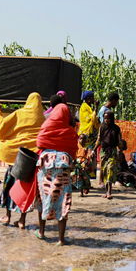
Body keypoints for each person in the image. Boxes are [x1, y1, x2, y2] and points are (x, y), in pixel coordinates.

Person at [0, 93, 44, 227]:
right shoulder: (43, 119)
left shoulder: (19, 113)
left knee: (9, 186)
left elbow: (1, 126)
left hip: (16, 157)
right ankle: (22, 220)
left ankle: (7, 216)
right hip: (32, 160)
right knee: (24, 190)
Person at [34, 102, 78, 245]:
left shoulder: (47, 126)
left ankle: (41, 232)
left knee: (42, 197)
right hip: (63, 168)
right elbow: (73, 150)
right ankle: (61, 239)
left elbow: (40, 143)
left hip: (45, 166)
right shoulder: (70, 131)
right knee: (63, 200)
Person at [98, 109, 124, 200]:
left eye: (108, 118)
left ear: (112, 118)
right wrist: (93, 151)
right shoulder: (102, 127)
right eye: (105, 118)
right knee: (104, 170)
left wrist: (120, 151)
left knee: (110, 169)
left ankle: (109, 192)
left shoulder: (116, 129)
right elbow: (99, 139)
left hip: (112, 151)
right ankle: (106, 192)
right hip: (103, 152)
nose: (106, 120)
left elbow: (119, 141)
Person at [78, 91, 99, 161]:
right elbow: (89, 119)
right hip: (86, 134)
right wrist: (96, 107)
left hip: (91, 135)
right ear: (89, 99)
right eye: (93, 97)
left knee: (91, 155)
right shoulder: (84, 107)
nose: (94, 99)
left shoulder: (89, 108)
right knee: (85, 155)